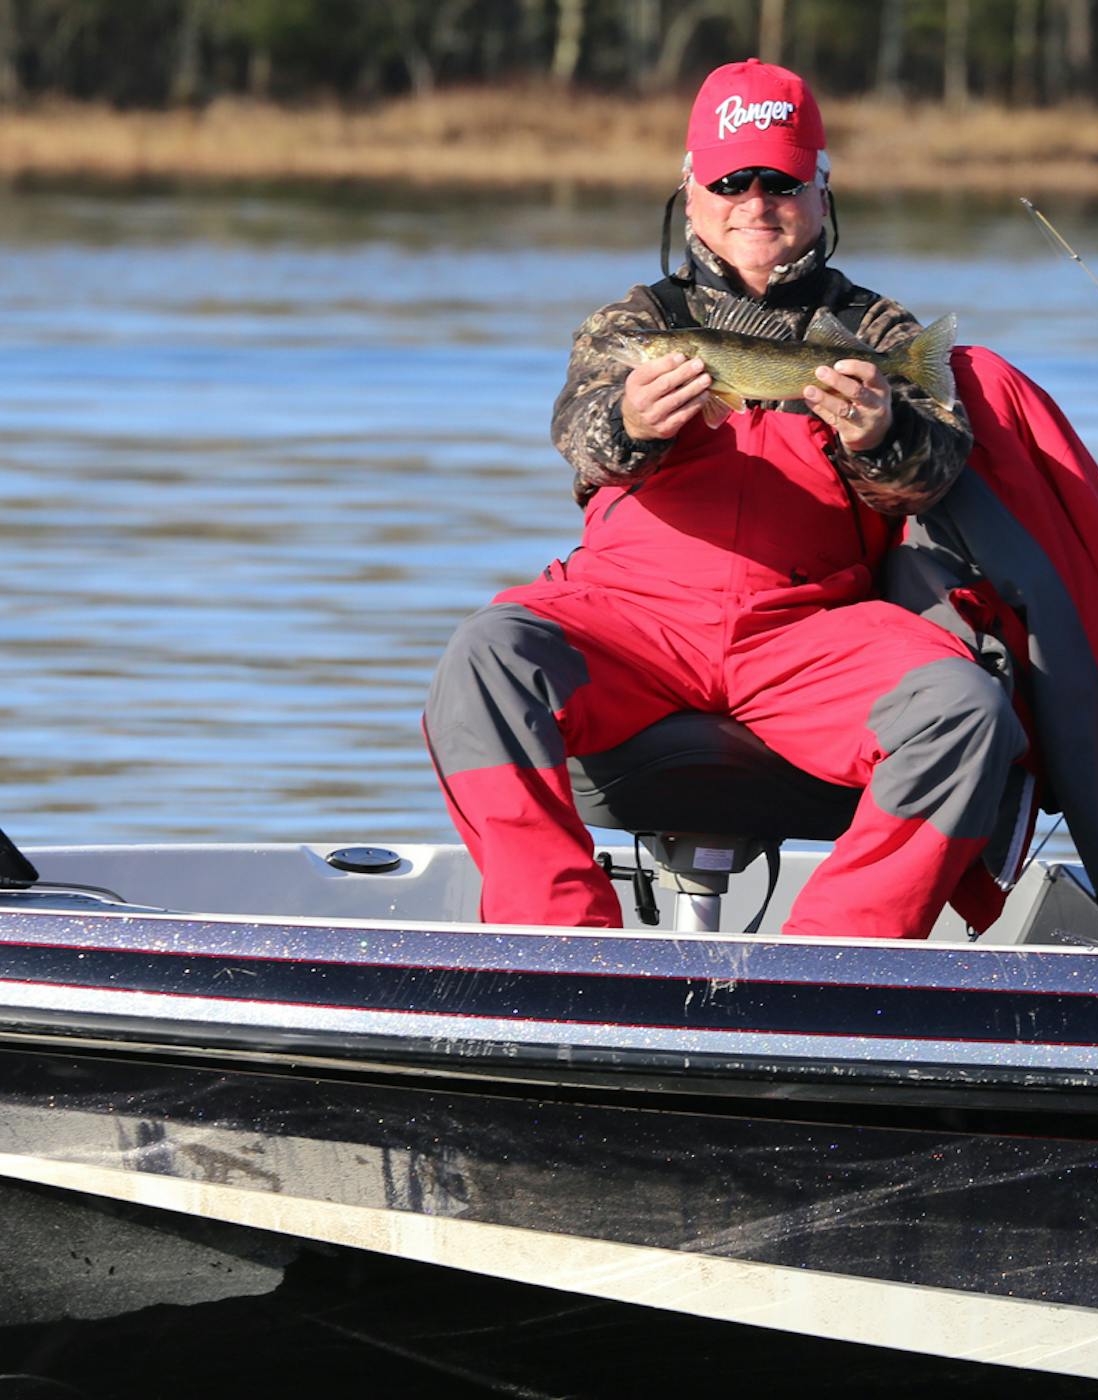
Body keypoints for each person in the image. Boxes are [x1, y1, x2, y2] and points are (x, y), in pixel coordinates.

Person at [425, 59, 1024, 939]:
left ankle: (834, 963)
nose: (755, 202)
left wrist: (879, 435)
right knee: (485, 656)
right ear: (690, 188)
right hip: (630, 621)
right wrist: (633, 421)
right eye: (730, 180)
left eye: (780, 181)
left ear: (820, 190)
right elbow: (580, 442)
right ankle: (561, 943)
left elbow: (932, 477)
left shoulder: (878, 331)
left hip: (809, 631)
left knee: (965, 709)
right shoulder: (632, 323)